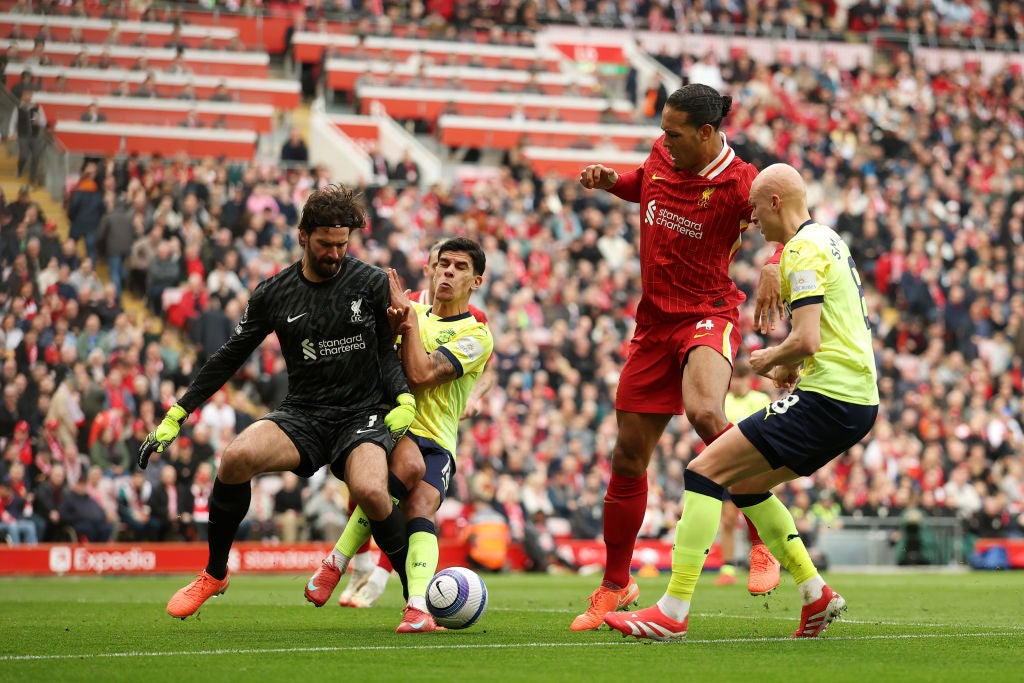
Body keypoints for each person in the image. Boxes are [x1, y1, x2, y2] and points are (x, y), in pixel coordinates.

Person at [604, 162, 879, 640]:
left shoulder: (801, 249)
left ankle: (672, 612)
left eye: (754, 208)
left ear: (775, 202)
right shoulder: (829, 238)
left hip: (831, 398)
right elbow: (829, 329)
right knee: (747, 485)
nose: (752, 220)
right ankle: (816, 596)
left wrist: (772, 358)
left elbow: (809, 338)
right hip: (854, 400)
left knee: (703, 470)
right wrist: (792, 364)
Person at [138, 184, 419, 620]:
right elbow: (229, 355)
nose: (335, 253)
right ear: (303, 235)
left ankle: (415, 601)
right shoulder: (274, 292)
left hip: (361, 414)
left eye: (342, 244)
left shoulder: (370, 281)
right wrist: (178, 413)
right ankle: (215, 573)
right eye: (325, 244)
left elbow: (386, 351)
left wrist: (402, 397)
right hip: (304, 413)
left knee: (369, 491)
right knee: (235, 458)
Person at [571, 83, 784, 632]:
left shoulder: (743, 183)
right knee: (626, 459)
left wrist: (776, 261)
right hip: (653, 324)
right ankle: (616, 584)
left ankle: (762, 538)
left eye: (673, 131)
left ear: (707, 133)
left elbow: (791, 222)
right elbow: (643, 185)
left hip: (707, 313)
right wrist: (610, 182)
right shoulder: (663, 155)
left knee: (706, 414)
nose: (662, 139)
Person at [305, 237, 493, 633]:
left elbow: (423, 373)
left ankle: (415, 608)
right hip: (393, 424)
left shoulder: (477, 335)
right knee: (405, 470)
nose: (448, 272)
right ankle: (340, 564)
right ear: (430, 268)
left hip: (440, 439)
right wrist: (394, 326)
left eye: (460, 267)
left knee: (422, 507)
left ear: (476, 281)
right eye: (443, 264)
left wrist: (404, 325)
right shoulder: (410, 311)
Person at [715, 359, 772, 586]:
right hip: (730, 468)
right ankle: (728, 568)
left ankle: (762, 565)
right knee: (728, 520)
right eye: (734, 378)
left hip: (755, 467)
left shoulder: (760, 400)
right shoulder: (724, 401)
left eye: (741, 377)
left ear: (750, 379)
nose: (737, 383)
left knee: (756, 519)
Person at [8, 88, 46, 187]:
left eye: (29, 95)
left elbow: (44, 121)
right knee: (23, 155)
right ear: (22, 97)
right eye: (25, 95)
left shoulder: (37, 108)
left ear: (31, 96)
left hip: (35, 136)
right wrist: (11, 133)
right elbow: (13, 121)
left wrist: (39, 122)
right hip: (23, 135)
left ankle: (32, 179)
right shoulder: (18, 108)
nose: (27, 97)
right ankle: (20, 170)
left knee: (36, 156)